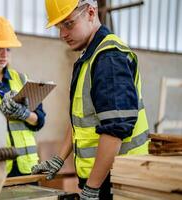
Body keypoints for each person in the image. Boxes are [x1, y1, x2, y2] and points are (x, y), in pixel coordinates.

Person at [31, 0, 149, 199]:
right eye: (59, 26)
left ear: (91, 13)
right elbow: (80, 119)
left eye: (68, 24)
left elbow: (115, 130)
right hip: (103, 179)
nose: (62, 34)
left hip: (117, 182)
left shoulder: (108, 58)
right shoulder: (90, 57)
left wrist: (92, 188)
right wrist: (59, 159)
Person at [0, 16, 46, 177]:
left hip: (27, 167)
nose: (4, 55)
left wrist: (25, 114)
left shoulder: (21, 80)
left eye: (8, 49)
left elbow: (40, 120)